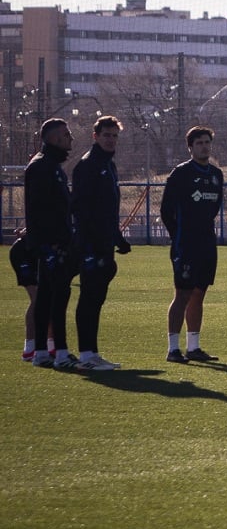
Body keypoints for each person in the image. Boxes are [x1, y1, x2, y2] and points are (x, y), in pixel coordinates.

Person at [71, 115, 133, 371]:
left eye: (114, 135)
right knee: (89, 297)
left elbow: (107, 210)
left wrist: (117, 238)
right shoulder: (88, 165)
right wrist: (90, 244)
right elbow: (81, 209)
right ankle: (86, 356)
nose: (111, 140)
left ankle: (92, 353)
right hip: (91, 244)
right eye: (106, 135)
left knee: (96, 298)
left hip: (104, 243)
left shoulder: (108, 165)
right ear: (95, 137)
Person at [161, 125, 224, 363]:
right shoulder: (181, 174)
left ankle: (194, 347)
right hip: (185, 244)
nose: (204, 146)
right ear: (190, 147)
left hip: (207, 243)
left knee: (199, 293)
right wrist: (178, 235)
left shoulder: (217, 175)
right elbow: (167, 210)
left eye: (207, 142)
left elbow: (214, 208)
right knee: (183, 294)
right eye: (199, 143)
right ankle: (173, 349)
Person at [24, 118, 77, 369]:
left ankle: (43, 352)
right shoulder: (42, 167)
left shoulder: (52, 166)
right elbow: (38, 209)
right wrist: (47, 244)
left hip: (55, 242)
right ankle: (60, 352)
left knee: (47, 296)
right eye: (66, 135)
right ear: (54, 138)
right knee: (56, 297)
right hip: (51, 245)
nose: (71, 139)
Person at [11, 232, 50, 361]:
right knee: (38, 298)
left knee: (50, 298)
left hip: (40, 253)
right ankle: (29, 348)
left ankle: (51, 346)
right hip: (23, 254)